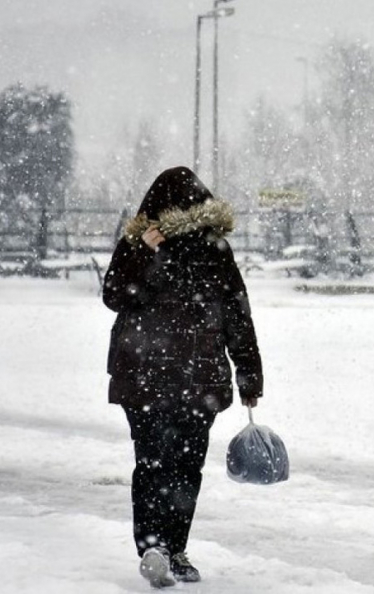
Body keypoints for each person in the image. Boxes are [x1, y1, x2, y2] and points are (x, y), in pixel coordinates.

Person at [103, 166, 263, 588]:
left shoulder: (207, 248)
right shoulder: (151, 245)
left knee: (158, 464)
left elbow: (232, 311)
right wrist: (248, 373)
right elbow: (116, 296)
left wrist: (248, 373)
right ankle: (166, 548)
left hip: (159, 376)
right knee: (181, 467)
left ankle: (162, 546)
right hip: (178, 376)